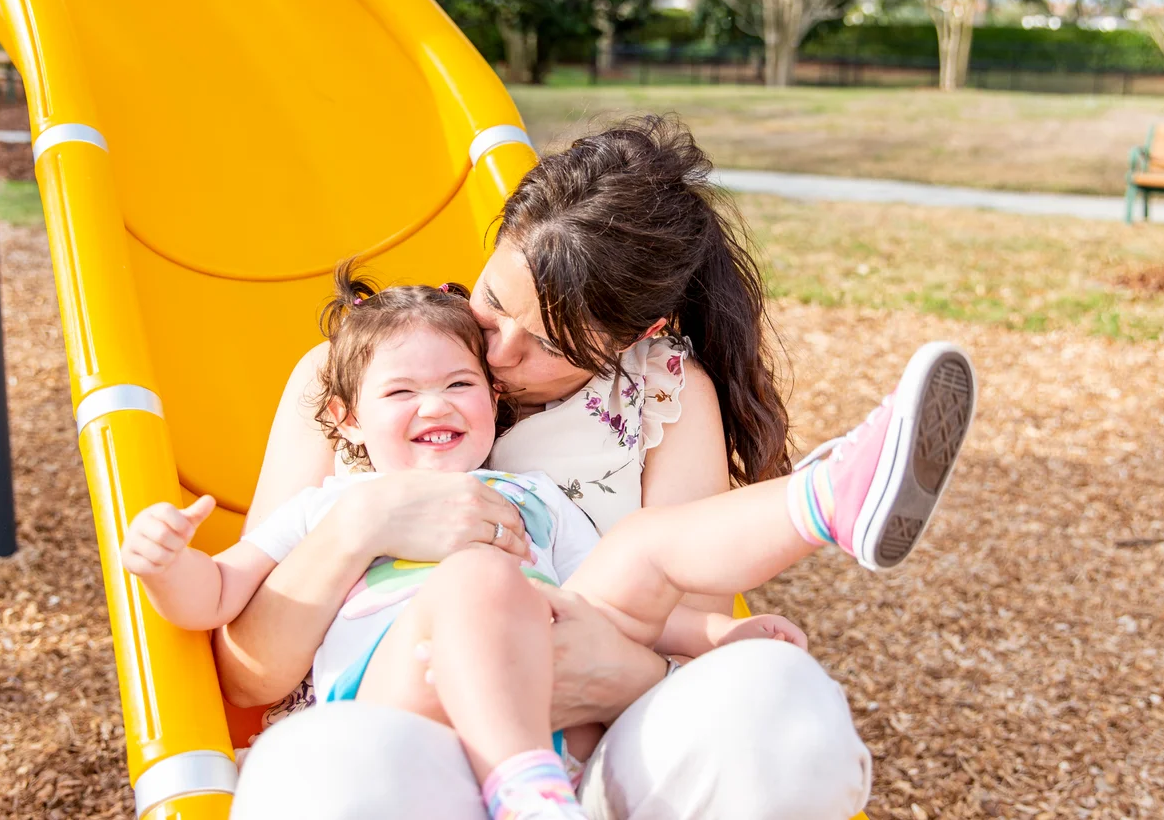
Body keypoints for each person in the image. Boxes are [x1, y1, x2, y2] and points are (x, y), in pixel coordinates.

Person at [219, 117, 895, 818]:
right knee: (319, 771)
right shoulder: (371, 367)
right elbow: (248, 673)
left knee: (780, 696)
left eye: (548, 343)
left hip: (589, 744)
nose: (499, 354)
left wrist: (610, 673)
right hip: (394, 732)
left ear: (639, 335)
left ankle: (828, 493)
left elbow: (687, 647)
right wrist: (364, 521)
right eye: (492, 302)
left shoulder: (662, 396)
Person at [125, 274, 975, 820]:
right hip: (397, 688)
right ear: (346, 419)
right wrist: (169, 566)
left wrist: (717, 637)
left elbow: (617, 603)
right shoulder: (330, 504)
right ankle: (526, 788)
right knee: (474, 585)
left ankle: (827, 499)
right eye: (402, 392)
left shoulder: (529, 495)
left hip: (547, 667)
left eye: (461, 384)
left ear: (493, 403)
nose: (438, 404)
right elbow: (221, 599)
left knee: (639, 546)